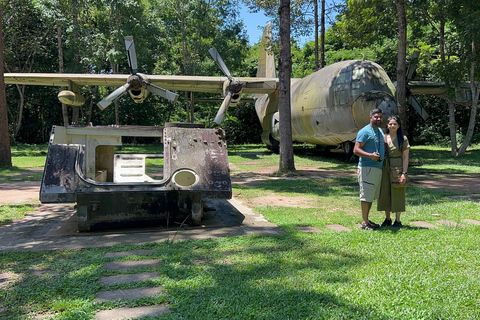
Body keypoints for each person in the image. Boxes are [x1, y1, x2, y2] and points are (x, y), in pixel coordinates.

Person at [353, 108, 385, 230]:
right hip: (367, 168)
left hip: (377, 168)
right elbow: (356, 150)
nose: (378, 119)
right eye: (376, 117)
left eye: (380, 117)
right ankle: (364, 222)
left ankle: (367, 220)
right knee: (366, 195)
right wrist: (370, 156)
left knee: (370, 195)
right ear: (370, 117)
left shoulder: (379, 131)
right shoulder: (365, 131)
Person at [378, 115, 410, 227]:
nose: (392, 126)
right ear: (387, 125)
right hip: (384, 167)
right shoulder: (383, 137)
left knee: (398, 192)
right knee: (385, 192)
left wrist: (404, 173)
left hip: (398, 167)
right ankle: (387, 219)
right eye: (390, 124)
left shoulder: (403, 139)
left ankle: (398, 220)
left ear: (399, 126)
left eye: (395, 124)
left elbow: (405, 157)